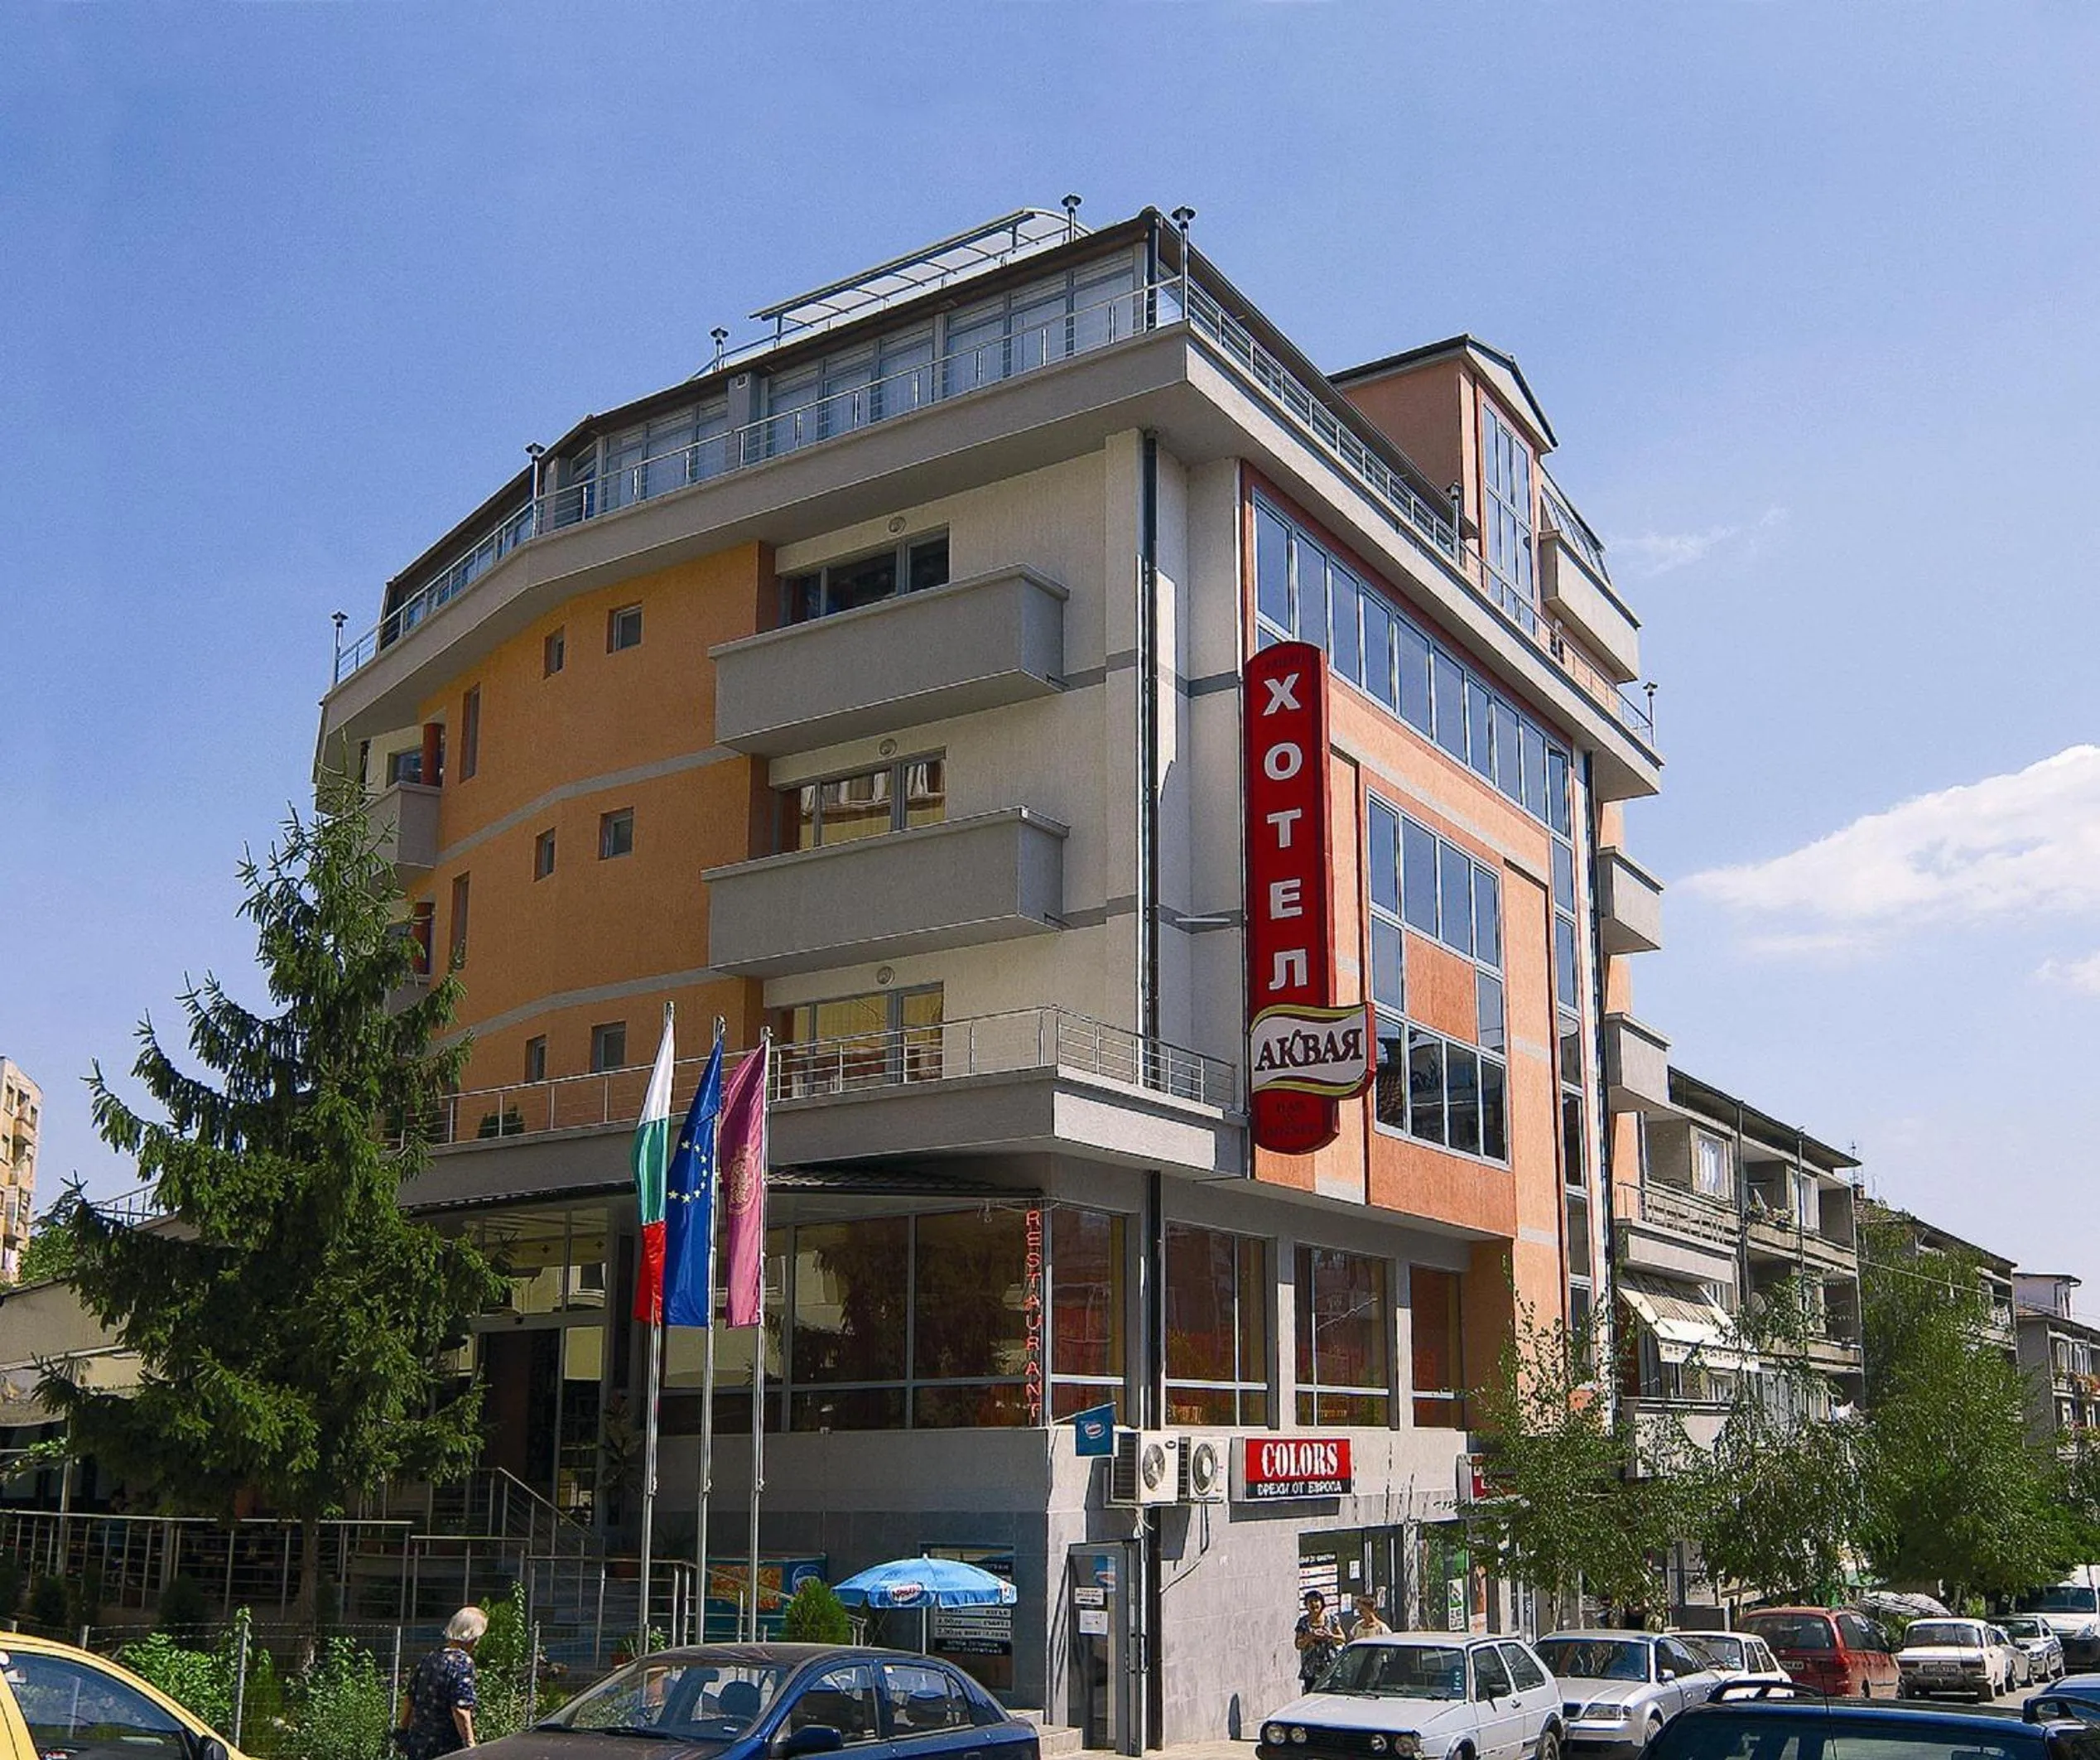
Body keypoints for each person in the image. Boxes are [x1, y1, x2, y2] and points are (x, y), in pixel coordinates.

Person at [400, 1607, 486, 1760]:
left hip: (418, 1745)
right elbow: (460, 1709)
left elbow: (409, 1700)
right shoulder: (462, 1663)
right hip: (446, 1747)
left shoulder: (430, 1658)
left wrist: (402, 1731)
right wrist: (471, 1747)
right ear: (472, 1637)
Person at [1294, 1590, 1344, 1688]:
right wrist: (1310, 1637)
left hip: (1330, 1667)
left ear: (1322, 1603)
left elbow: (1342, 1639)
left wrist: (1331, 1636)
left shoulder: (1331, 1619)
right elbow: (1298, 1644)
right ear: (1306, 1605)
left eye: (1316, 1601)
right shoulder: (1303, 1622)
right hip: (1311, 1670)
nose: (1314, 1604)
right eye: (1310, 1602)